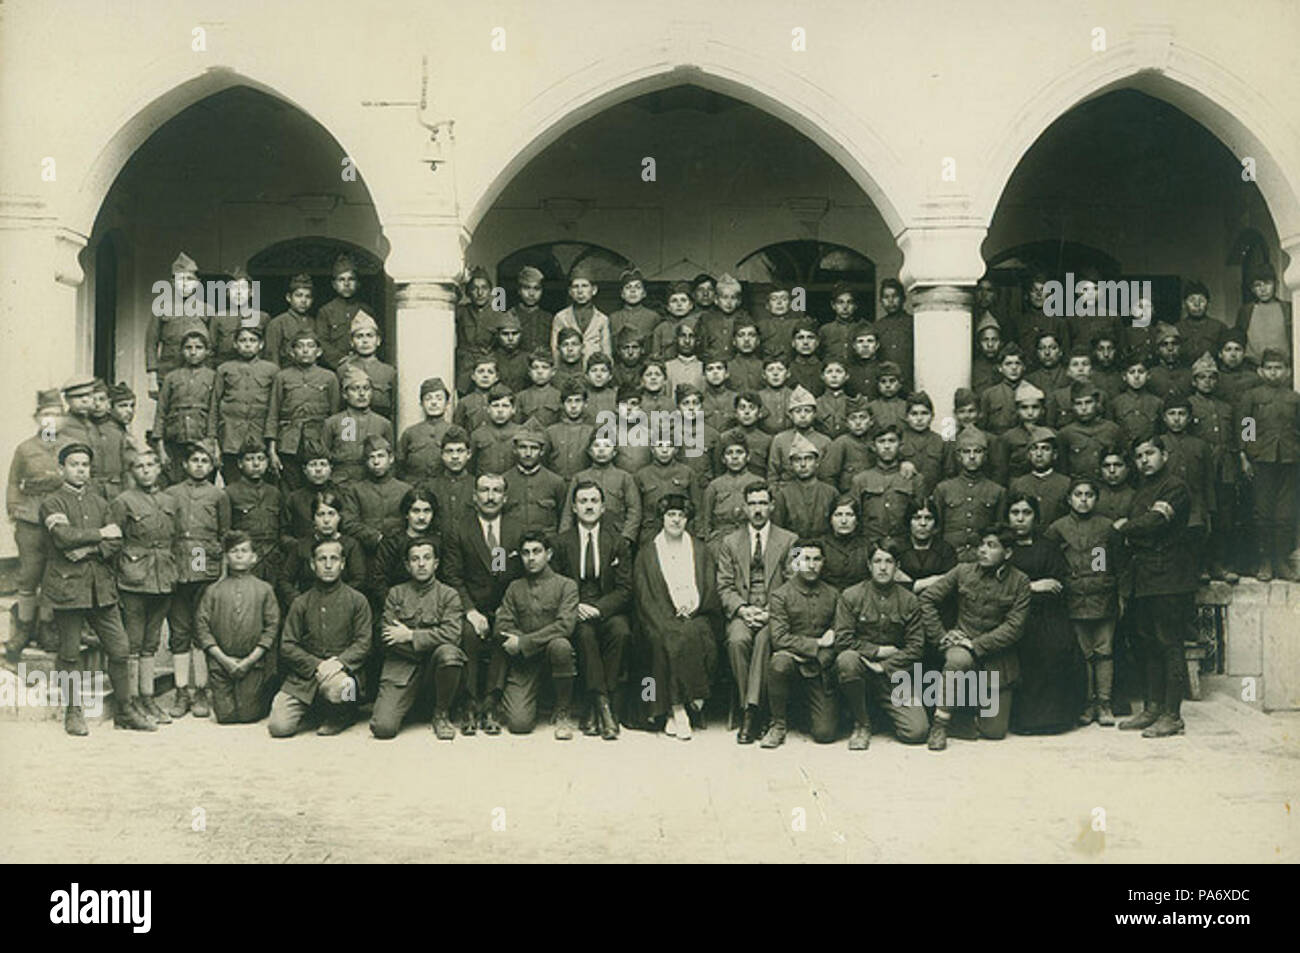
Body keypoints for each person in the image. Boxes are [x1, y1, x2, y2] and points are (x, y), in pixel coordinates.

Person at [40, 442, 153, 733]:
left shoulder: (101, 503)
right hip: (68, 588)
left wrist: (90, 548)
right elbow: (63, 538)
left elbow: (116, 541)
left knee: (120, 648)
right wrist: (99, 535)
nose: (80, 470)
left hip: (101, 587)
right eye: (74, 464)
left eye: (85, 465)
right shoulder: (52, 502)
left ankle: (124, 710)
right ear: (62, 468)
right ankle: (73, 711)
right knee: (69, 653)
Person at [919, 524, 1031, 750]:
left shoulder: (1020, 581)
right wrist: (942, 636)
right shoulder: (963, 571)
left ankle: (963, 719)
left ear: (1007, 553)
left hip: (997, 655)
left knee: (995, 731)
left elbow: (1014, 627)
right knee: (957, 660)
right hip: (960, 647)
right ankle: (939, 725)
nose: (982, 550)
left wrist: (977, 644)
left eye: (991, 546)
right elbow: (927, 599)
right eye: (981, 545)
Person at [1113, 435, 1195, 738]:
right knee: (1146, 642)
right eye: (1138, 456)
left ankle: (1173, 715)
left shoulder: (1175, 486)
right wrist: (1137, 531)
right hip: (1144, 577)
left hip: (1170, 576)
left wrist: (1126, 528)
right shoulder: (1142, 490)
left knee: (1169, 643)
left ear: (1164, 455)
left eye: (1150, 453)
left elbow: (1155, 523)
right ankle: (1152, 708)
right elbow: (1145, 527)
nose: (1144, 460)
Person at [630, 494, 721, 740]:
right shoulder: (648, 552)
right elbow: (644, 593)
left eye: (681, 515)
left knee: (694, 633)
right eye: (671, 514)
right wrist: (666, 614)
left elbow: (709, 585)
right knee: (666, 638)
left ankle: (677, 707)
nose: (676, 520)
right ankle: (680, 708)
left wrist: (693, 606)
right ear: (662, 518)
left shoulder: (700, 550)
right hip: (658, 615)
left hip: (696, 613)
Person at [440, 472, 521, 734]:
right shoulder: (459, 529)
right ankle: (469, 702)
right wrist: (471, 610)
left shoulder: (515, 528)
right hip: (471, 606)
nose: (490, 497)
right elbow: (452, 575)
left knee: (503, 632)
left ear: (505, 497)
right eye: (484, 491)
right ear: (474, 496)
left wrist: (505, 609)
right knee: (469, 635)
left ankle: (492, 702)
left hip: (504, 606)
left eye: (496, 491)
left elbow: (519, 575)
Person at [716, 482, 796, 744]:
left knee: (763, 640)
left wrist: (771, 611)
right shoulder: (730, 542)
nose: (758, 509)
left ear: (771, 505)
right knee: (737, 641)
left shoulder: (789, 540)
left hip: (775, 612)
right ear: (745, 507)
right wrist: (741, 608)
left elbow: (792, 584)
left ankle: (751, 714)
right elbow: (724, 585)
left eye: (763, 503)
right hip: (743, 610)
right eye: (753, 504)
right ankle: (750, 707)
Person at [552, 481, 632, 740]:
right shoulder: (561, 543)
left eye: (594, 501)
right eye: (583, 501)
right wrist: (575, 606)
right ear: (574, 507)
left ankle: (594, 707)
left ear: (603, 507)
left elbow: (625, 588)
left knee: (621, 632)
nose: (589, 506)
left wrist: (599, 608)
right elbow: (554, 584)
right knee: (585, 636)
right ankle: (604, 708)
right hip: (574, 608)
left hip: (606, 607)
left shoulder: (618, 542)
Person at [268, 537, 372, 737]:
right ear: (312, 564)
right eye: (322, 559)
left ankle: (344, 713)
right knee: (279, 727)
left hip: (343, 672)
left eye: (334, 559)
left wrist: (339, 663)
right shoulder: (301, 602)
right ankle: (316, 708)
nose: (328, 564)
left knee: (343, 688)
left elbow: (363, 643)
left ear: (342, 564)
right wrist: (317, 664)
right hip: (306, 675)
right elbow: (288, 645)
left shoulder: (357, 600)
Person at [834, 538, 929, 749]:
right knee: (846, 659)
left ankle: (881, 714)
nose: (883, 567)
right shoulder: (851, 595)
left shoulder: (909, 600)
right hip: (861, 671)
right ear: (869, 565)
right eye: (877, 561)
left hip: (895, 673)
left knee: (917, 731)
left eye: (889, 561)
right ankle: (862, 723)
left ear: (897, 567)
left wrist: (885, 666)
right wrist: (877, 652)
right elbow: (842, 640)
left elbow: (916, 647)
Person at [1004, 492, 1086, 734]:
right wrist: (1031, 586)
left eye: (1026, 513)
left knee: (1058, 645)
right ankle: (1023, 719)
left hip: (1047, 613)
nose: (1020, 519)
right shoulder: (1000, 548)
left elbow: (1056, 585)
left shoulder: (1048, 547)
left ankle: (1057, 717)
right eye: (1015, 513)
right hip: (1010, 614)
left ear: (1036, 518)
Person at [108, 448, 178, 725]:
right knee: (133, 644)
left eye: (151, 464)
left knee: (151, 642)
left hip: (164, 577)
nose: (146, 470)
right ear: (132, 471)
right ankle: (132, 700)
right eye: (139, 466)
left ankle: (148, 697)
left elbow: (175, 538)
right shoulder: (123, 501)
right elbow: (114, 543)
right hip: (134, 578)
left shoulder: (169, 500)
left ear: (160, 468)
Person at [487, 530, 580, 738]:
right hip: (524, 662)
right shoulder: (514, 587)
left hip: (552, 656)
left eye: (537, 551)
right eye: (526, 553)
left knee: (561, 646)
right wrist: (519, 642)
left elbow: (565, 626)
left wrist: (524, 641)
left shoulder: (566, 586)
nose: (531, 558)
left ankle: (563, 709)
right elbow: (502, 624)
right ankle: (515, 703)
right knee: (519, 725)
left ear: (549, 554)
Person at [1046, 476, 1123, 726]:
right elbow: (1050, 561)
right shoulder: (1057, 528)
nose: (1083, 500)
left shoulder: (1106, 527)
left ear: (1096, 499)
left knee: (1105, 651)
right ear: (1069, 499)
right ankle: (1087, 703)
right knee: (1083, 652)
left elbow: (1117, 561)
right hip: (1073, 598)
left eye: (1089, 495)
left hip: (1103, 596)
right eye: (1078, 495)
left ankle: (1105, 703)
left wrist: (1118, 593)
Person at [371, 536, 465, 741]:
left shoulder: (449, 595)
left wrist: (410, 635)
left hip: (435, 668)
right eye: (415, 559)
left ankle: (441, 713)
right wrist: (430, 642)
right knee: (383, 728)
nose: (421, 564)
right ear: (407, 565)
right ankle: (411, 708)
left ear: (436, 563)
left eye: (427, 558)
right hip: (401, 669)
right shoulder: (396, 594)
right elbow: (387, 638)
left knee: (449, 654)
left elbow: (453, 634)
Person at [162, 439, 229, 719]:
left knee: (202, 631)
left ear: (212, 465)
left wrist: (221, 570)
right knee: (179, 630)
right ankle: (181, 690)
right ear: (185, 465)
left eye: (205, 461)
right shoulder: (171, 493)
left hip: (206, 566)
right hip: (178, 566)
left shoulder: (218, 496)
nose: (199, 466)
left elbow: (224, 534)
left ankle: (202, 689)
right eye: (195, 461)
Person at [4, 388, 67, 663]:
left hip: (60, 516)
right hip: (30, 517)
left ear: (63, 418)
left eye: (55, 414)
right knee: (29, 575)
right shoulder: (25, 448)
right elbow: (13, 482)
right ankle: (24, 627)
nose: (50, 420)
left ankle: (48, 626)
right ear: (37, 418)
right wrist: (14, 509)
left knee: (54, 573)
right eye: (45, 415)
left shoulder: (71, 446)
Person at [761, 538, 840, 747]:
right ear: (796, 562)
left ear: (823, 562)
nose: (811, 565)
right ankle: (778, 724)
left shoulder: (833, 595)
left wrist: (827, 644)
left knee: (825, 734)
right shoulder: (781, 595)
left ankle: (805, 713)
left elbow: (838, 633)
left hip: (819, 667)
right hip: (792, 664)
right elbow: (779, 638)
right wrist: (816, 644)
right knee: (779, 663)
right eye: (805, 559)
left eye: (816, 559)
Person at [196, 531, 280, 724]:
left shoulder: (265, 589)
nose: (240, 555)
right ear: (226, 557)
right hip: (221, 664)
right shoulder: (213, 590)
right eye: (234, 551)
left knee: (248, 715)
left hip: (253, 664)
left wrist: (250, 660)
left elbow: (272, 627)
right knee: (226, 717)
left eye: (244, 551)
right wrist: (223, 660)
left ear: (254, 558)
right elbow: (202, 628)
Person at [1236, 349, 1299, 580]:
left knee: (1285, 514)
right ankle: (1264, 561)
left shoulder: (1294, 398)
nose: (1274, 373)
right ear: (1261, 371)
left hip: (1290, 461)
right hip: (1261, 461)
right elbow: (1247, 430)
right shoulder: (1252, 397)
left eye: (1278, 368)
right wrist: (1245, 457)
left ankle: (1281, 560)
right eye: (1269, 368)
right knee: (1262, 513)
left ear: (1287, 371)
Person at [267, 328, 340, 491]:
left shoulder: (330, 377)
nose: (305, 350)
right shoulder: (282, 377)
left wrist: (336, 447)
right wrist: (272, 450)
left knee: (319, 488)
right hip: (289, 443)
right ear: (292, 352)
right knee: (290, 490)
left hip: (319, 440)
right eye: (300, 346)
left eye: (310, 346)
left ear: (319, 351)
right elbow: (273, 414)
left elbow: (338, 416)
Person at [276, 489, 367, 610]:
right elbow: (284, 580)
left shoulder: (350, 545)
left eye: (331, 514)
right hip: (309, 607)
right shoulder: (302, 545)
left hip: (342, 607)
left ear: (339, 517)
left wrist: (337, 600)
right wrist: (301, 601)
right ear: (313, 519)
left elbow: (359, 580)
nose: (326, 520)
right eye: (320, 514)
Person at [208, 324, 277, 484]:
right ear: (235, 344)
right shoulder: (224, 369)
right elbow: (214, 407)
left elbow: (275, 408)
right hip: (231, 439)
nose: (247, 344)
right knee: (233, 484)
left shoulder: (272, 370)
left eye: (252, 340)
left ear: (261, 345)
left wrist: (272, 444)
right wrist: (214, 442)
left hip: (260, 437)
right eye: (242, 340)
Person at [155, 328, 216, 484]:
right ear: (182, 351)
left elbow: (215, 411)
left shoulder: (213, 377)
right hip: (175, 440)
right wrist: (161, 449)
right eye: (188, 348)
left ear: (207, 351)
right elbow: (161, 413)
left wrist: (211, 442)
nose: (193, 352)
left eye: (199, 348)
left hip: (202, 439)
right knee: (175, 484)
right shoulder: (171, 378)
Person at [145, 252, 209, 392]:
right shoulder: (160, 308)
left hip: (199, 372)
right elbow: (151, 344)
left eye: (189, 279)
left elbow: (212, 344)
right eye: (181, 279)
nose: (185, 284)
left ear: (197, 283)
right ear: (173, 282)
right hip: (168, 372)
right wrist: (152, 378)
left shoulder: (206, 309)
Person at [224, 435, 282, 582]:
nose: (256, 464)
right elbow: (225, 532)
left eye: (261, 459)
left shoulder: (274, 493)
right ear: (240, 464)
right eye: (250, 459)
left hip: (273, 559)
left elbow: (282, 528)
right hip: (245, 557)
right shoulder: (229, 492)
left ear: (267, 462)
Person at [324, 367, 395, 486]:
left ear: (371, 393)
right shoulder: (332, 423)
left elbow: (391, 460)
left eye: (366, 389)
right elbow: (324, 458)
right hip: (340, 484)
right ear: (345, 394)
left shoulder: (383, 424)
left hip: (372, 484)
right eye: (355, 389)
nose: (362, 394)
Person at [336, 312, 397, 420]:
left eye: (369, 336)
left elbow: (394, 409)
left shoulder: (389, 372)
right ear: (351, 342)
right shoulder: (343, 370)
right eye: (359, 336)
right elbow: (338, 408)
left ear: (378, 341)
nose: (365, 341)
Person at [1235, 261, 1292, 374]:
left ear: (1276, 284)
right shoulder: (1246, 311)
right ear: (1252, 289)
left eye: (1267, 283)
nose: (1263, 289)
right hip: (1252, 369)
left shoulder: (1287, 308)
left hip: (1282, 369)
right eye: (1257, 285)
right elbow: (1239, 339)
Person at [315, 254, 369, 370]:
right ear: (334, 285)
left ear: (358, 283)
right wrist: (340, 360)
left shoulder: (366, 310)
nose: (346, 284)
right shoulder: (326, 311)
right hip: (336, 367)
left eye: (351, 279)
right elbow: (321, 341)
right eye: (341, 280)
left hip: (363, 365)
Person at [895, 497, 957, 594]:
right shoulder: (896, 549)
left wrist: (912, 585)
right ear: (908, 521)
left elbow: (948, 585)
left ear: (935, 522)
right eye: (917, 518)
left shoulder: (946, 551)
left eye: (928, 518)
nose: (923, 523)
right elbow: (891, 586)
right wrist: (928, 582)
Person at [551, 265, 611, 365]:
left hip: (593, 372)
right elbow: (555, 349)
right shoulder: (560, 317)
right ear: (570, 291)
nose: (580, 291)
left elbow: (607, 352)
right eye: (575, 286)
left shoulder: (602, 319)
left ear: (594, 290)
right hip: (568, 371)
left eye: (584, 286)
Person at [397, 377, 452, 484]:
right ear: (421, 404)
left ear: (447, 403)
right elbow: (399, 465)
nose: (434, 403)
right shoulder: (410, 433)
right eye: (428, 399)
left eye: (439, 398)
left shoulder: (454, 431)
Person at [263, 272, 317, 368]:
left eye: (307, 296)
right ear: (289, 297)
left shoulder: (314, 322)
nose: (303, 300)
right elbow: (272, 356)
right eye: (299, 295)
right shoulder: (278, 323)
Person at [818, 496, 871, 590]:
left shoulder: (868, 546)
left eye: (849, 515)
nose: (843, 521)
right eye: (838, 515)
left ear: (857, 520)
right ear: (830, 519)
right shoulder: (820, 545)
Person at [508, 265, 554, 356]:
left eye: (537, 288)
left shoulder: (549, 318)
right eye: (526, 288)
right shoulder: (509, 315)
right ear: (519, 290)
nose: (531, 294)